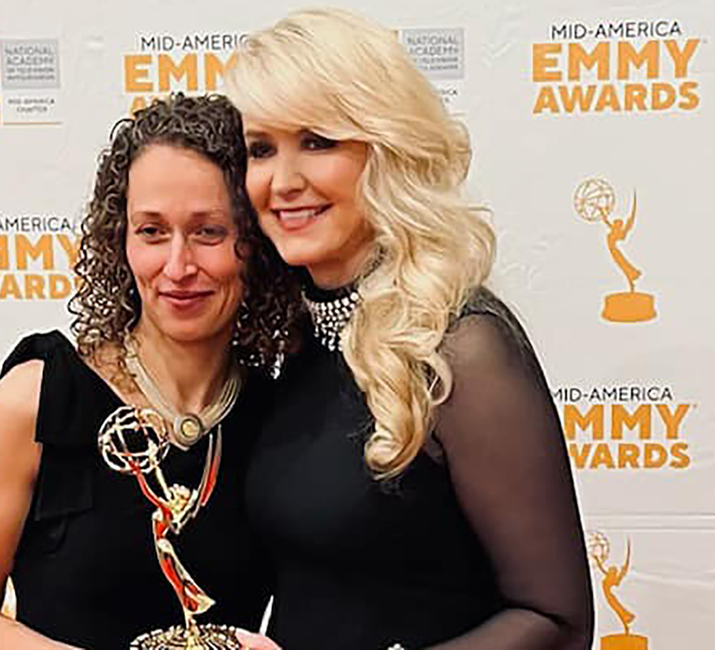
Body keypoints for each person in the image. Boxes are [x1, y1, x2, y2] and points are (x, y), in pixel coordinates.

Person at [225, 8, 594, 649]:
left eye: (318, 140)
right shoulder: (294, 342)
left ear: (386, 150)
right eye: (261, 149)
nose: (282, 182)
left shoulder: (462, 348)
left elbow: (556, 621)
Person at [0, 93, 297, 650]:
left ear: (257, 245)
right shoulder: (36, 399)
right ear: (118, 238)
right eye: (151, 231)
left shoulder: (280, 415)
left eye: (208, 232)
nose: (177, 267)